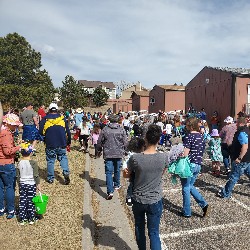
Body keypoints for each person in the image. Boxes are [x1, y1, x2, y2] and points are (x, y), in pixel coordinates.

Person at [124, 125, 168, 250]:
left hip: (138, 199)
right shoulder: (164, 157)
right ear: (158, 140)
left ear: (145, 139)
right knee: (154, 233)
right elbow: (161, 173)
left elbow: (126, 174)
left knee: (139, 228)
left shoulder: (135, 158)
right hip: (155, 199)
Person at [181, 117, 210, 218]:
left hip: (189, 165)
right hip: (198, 164)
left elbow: (185, 154)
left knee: (185, 188)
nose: (185, 126)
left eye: (187, 124)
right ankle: (204, 205)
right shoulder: (201, 136)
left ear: (190, 125)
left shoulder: (189, 137)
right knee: (190, 186)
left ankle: (187, 212)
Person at [96, 114, 127, 200]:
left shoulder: (105, 129)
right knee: (117, 169)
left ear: (109, 120)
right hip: (118, 153)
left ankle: (110, 191)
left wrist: (98, 150)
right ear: (117, 120)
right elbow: (125, 141)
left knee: (108, 172)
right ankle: (116, 184)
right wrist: (126, 151)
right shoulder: (121, 129)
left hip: (108, 153)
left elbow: (99, 141)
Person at [39, 103, 71, 185]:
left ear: (49, 110)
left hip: (50, 144)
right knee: (63, 158)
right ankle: (66, 172)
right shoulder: (62, 119)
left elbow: (40, 132)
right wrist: (69, 142)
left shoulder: (45, 119)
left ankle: (50, 178)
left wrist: (44, 138)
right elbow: (68, 132)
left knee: (50, 161)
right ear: (57, 110)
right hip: (62, 143)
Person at [218, 117, 250, 198]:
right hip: (247, 159)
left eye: (237, 123)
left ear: (240, 123)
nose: (236, 124)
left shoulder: (242, 132)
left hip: (242, 159)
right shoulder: (247, 130)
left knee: (234, 177)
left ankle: (225, 193)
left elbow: (245, 146)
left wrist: (239, 158)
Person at [0, 113, 22, 219]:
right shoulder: (6, 133)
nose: (16, 127)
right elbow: (7, 151)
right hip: (6, 163)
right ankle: (11, 210)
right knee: (9, 187)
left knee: (0, 187)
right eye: (15, 125)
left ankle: (1, 208)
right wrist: (19, 147)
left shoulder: (2, 130)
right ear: (9, 124)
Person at [17, 142, 41, 225]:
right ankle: (31, 218)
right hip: (31, 184)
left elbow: (18, 176)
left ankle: (22, 219)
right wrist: (38, 184)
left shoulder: (19, 163)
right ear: (31, 152)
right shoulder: (33, 163)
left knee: (22, 201)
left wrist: (19, 185)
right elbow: (36, 175)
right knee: (31, 201)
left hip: (22, 184)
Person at [122, 137, 145, 207]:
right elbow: (126, 162)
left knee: (138, 184)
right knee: (132, 185)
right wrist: (125, 168)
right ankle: (129, 197)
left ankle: (136, 195)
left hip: (139, 171)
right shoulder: (131, 154)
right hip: (133, 172)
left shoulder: (142, 153)